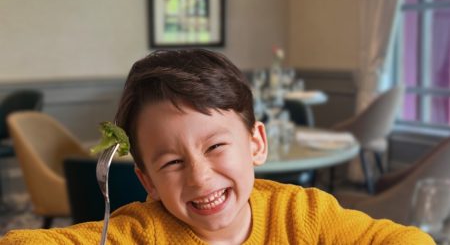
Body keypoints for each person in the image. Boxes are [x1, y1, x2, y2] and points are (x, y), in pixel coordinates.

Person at [1, 49, 434, 244]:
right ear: (146, 181)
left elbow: (407, 239)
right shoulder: (142, 232)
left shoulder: (303, 216)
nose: (199, 176)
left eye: (215, 147)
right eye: (171, 161)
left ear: (256, 143)